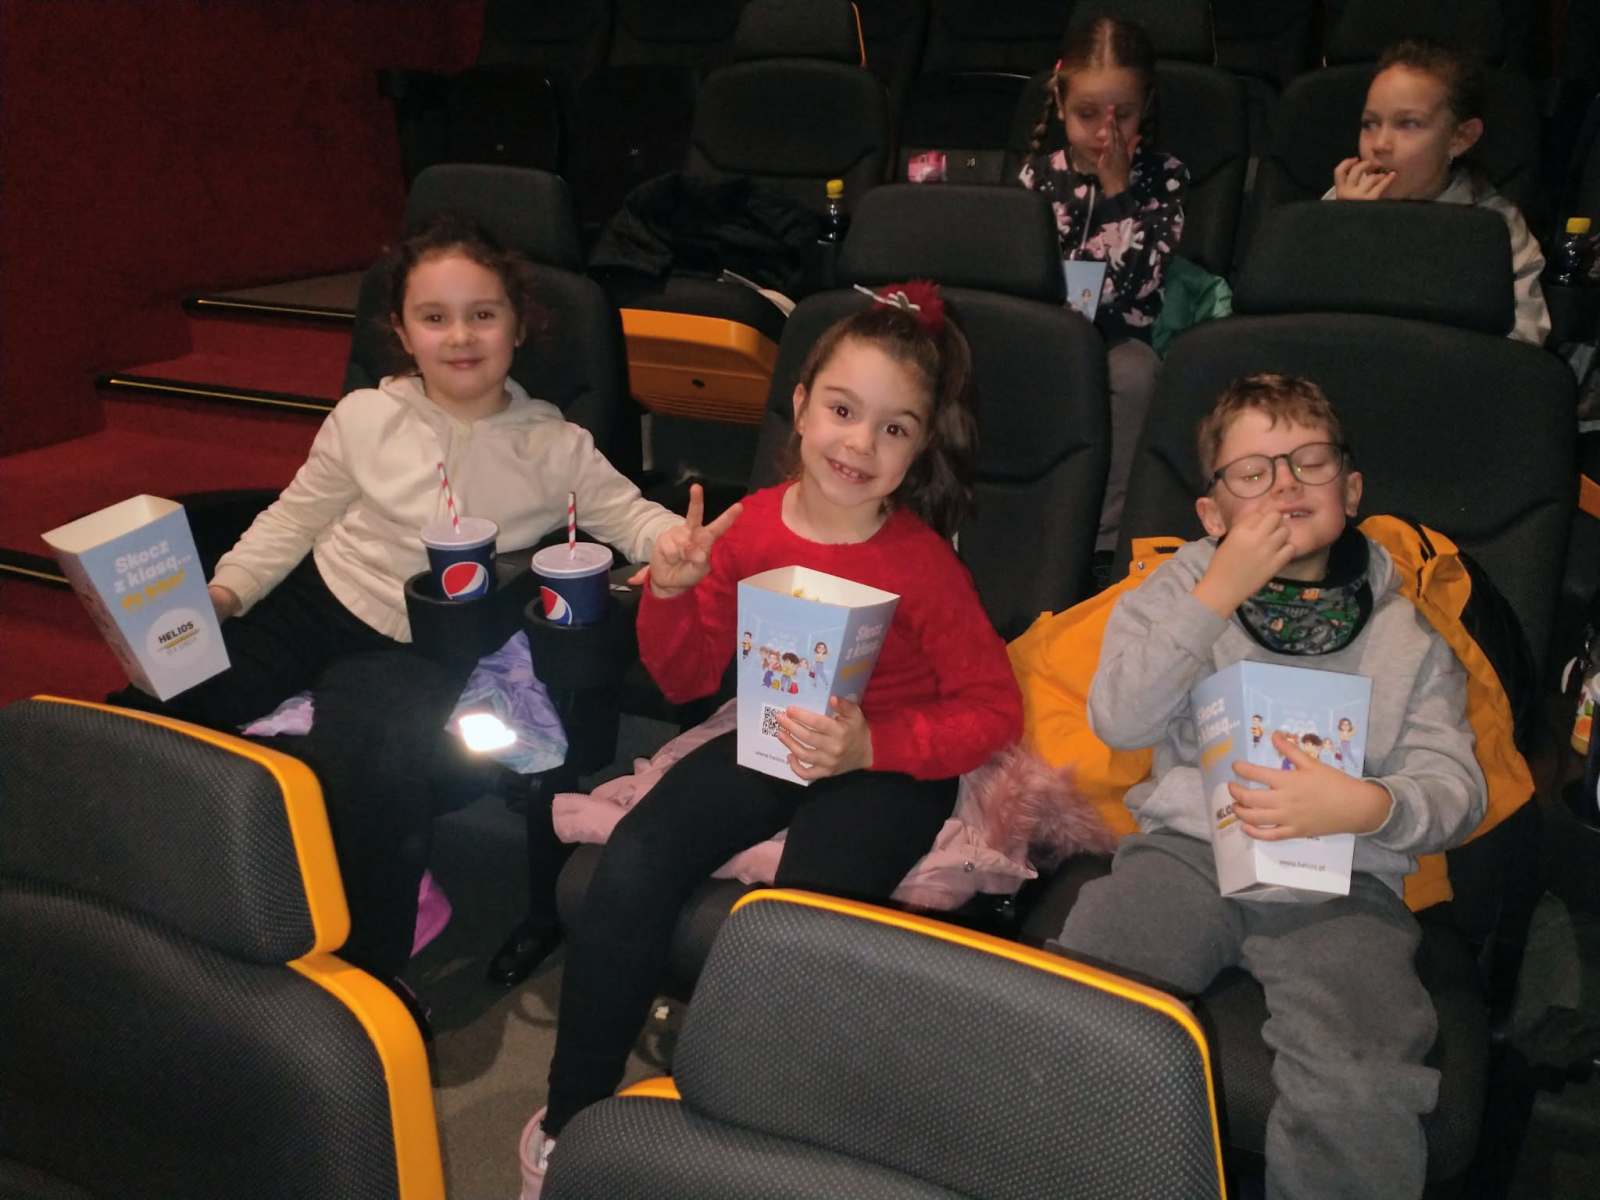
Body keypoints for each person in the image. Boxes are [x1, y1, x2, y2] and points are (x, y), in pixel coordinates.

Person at [518, 281, 1024, 1196]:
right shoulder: (748, 528)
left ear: (919, 448)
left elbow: (992, 711)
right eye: (842, 410)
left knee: (802, 922)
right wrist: (672, 594)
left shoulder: (921, 562)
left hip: (888, 760)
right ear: (799, 404)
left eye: (894, 428)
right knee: (635, 860)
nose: (859, 445)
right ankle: (567, 1120)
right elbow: (683, 680)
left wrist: (872, 747)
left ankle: (759, 1132)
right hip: (771, 729)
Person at [111, 213, 677, 994]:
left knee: (368, 769)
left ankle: (368, 967)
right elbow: (292, 521)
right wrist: (224, 592)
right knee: (160, 691)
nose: (460, 336)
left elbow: (637, 519)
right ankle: (147, 884)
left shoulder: (557, 448)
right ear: (404, 333)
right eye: (434, 317)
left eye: (483, 314)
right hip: (321, 598)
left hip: (425, 640)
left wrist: (677, 545)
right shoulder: (366, 417)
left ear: (518, 326)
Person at [1054, 373, 1485, 1198]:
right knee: (1082, 1006)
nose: (1286, 484)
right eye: (1254, 472)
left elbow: (1455, 784)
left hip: (1346, 882)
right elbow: (1121, 719)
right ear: (1213, 515)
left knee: (1362, 1076)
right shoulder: (1179, 592)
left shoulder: (1410, 634)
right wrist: (1215, 593)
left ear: (1350, 492)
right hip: (1187, 854)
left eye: (1309, 462)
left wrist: (1372, 805)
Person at [1018, 15, 1189, 553]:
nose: (1103, 134)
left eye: (1123, 116)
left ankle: (1104, 542)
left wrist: (1118, 193)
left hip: (1121, 338)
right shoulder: (1038, 176)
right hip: (1046, 331)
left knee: (1134, 376)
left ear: (1146, 108)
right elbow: (1020, 267)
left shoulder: (1164, 177)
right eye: (1087, 114)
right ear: (1060, 103)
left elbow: (1140, 284)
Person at [1324, 37, 1550, 346]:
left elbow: (1522, 340)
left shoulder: (1496, 227)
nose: (1380, 144)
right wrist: (1347, 227)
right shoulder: (1339, 203)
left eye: (1408, 124)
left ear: (1461, 137)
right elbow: (1299, 316)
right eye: (1369, 124)